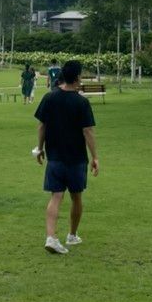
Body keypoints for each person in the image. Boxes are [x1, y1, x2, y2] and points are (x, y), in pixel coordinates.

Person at [33, 59, 99, 255]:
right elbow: (88, 131)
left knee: (56, 196)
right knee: (76, 197)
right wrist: (95, 157)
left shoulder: (49, 98)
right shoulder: (82, 102)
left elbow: (42, 126)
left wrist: (40, 148)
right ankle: (72, 234)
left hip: (55, 157)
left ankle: (51, 237)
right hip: (77, 158)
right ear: (78, 77)